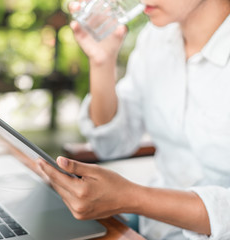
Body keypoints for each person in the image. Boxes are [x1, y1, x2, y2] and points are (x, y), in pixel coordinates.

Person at [37, 0, 230, 239]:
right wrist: (102, 62)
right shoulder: (156, 38)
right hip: (153, 227)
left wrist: (132, 198)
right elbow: (111, 145)